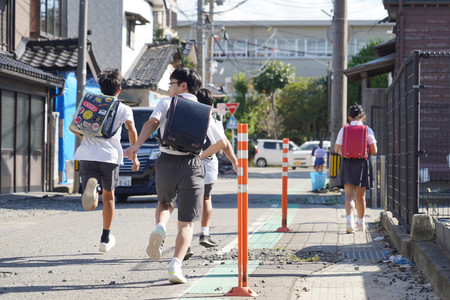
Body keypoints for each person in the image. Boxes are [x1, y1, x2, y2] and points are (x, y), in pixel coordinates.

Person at [123, 68, 228, 284]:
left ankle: (160, 228)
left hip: (166, 162)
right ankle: (175, 267)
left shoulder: (166, 103)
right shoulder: (204, 110)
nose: (169, 87)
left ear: (183, 85)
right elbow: (221, 142)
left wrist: (136, 146)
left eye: (171, 83)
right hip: (191, 165)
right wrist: (201, 155)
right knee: (187, 223)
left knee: (164, 203)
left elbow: (151, 124)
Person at [70, 68, 139, 252]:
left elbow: (74, 129)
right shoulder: (124, 108)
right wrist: (133, 152)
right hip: (110, 157)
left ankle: (91, 193)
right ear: (119, 89)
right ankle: (105, 238)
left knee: (92, 202)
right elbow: (131, 129)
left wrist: (86, 135)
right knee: (109, 197)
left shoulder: (89, 103)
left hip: (86, 155)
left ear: (100, 88)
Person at [183, 88, 238, 260]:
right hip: (208, 164)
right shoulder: (211, 120)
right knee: (206, 198)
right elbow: (225, 143)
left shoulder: (186, 117)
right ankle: (205, 233)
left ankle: (186, 244)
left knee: (188, 202)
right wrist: (235, 161)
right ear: (211, 104)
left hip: (187, 163)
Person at [334, 104, 377, 234]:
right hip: (363, 163)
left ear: (349, 117)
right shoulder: (367, 130)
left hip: (347, 163)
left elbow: (336, 149)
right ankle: (361, 224)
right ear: (363, 117)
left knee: (349, 196)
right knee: (361, 196)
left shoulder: (344, 130)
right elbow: (374, 150)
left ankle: (349, 222)